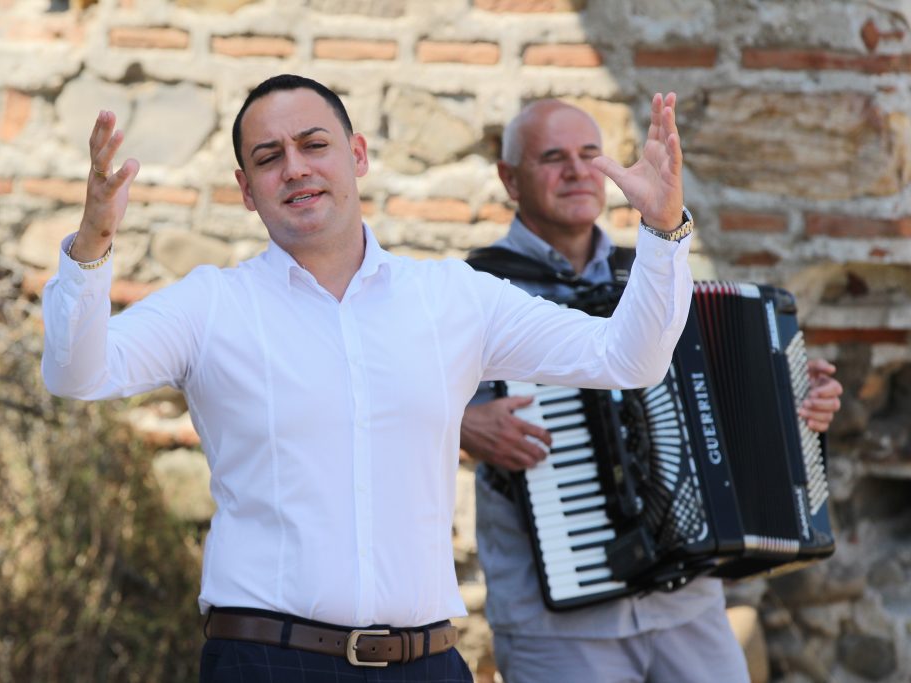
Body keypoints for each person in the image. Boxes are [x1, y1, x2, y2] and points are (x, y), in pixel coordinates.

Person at [41, 74, 698, 682]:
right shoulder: (211, 304)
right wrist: (92, 243)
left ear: (356, 155)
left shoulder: (452, 297)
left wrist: (663, 229)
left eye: (313, 144)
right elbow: (80, 373)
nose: (295, 167)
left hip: (428, 662)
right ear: (246, 190)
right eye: (269, 157)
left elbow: (626, 359)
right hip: (267, 662)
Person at [461, 99, 845, 683]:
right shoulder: (473, 287)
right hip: (559, 618)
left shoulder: (654, 271)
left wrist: (794, 401)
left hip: (686, 602)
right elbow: (390, 400)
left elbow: (723, 395)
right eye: (552, 158)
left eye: (590, 154)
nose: (577, 171)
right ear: (509, 179)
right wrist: (464, 425)